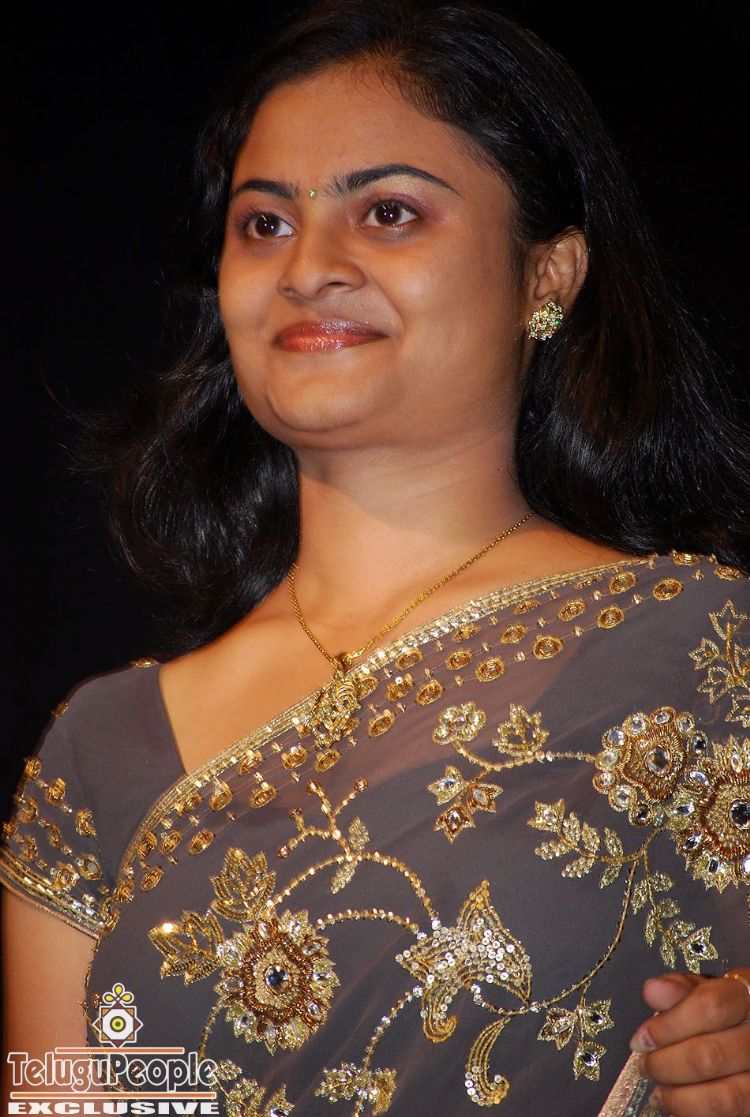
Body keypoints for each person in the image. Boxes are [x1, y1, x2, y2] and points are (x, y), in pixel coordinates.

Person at [3, 2, 750, 1114]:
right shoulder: (103, 747)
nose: (308, 268)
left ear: (548, 276)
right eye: (264, 224)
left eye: (388, 212)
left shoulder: (702, 649)